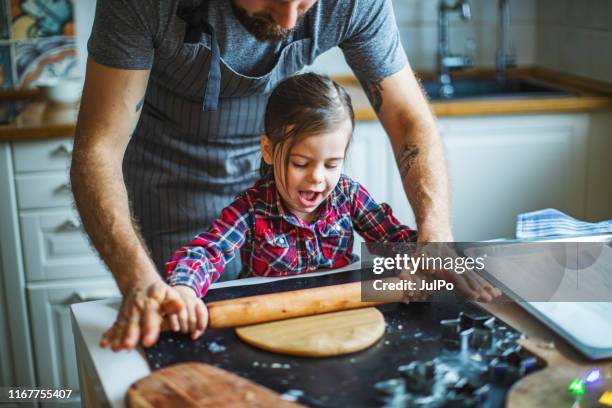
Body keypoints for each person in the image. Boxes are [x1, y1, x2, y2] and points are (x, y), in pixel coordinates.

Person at [72, 0, 492, 352]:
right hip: (168, 177)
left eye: (306, 2)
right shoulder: (144, 5)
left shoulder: (343, 196)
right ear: (270, 152)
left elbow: (407, 117)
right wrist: (151, 283)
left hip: (282, 158)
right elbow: (99, 150)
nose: (291, 21)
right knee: (186, 336)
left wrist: (432, 243)